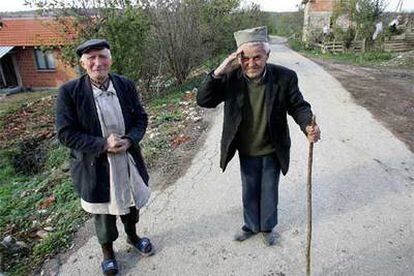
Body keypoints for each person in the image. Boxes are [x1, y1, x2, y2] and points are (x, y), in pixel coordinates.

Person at [197, 26, 320, 246]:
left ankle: (267, 227)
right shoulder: (230, 77)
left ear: (267, 56)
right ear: (237, 58)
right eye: (245, 58)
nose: (251, 63)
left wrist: (308, 125)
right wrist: (219, 70)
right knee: (250, 189)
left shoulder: (285, 77)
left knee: (269, 191)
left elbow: (298, 106)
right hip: (246, 148)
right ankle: (251, 225)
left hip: (272, 147)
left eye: (257, 57)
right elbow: (204, 100)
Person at [56, 39, 153, 275]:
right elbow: (65, 134)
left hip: (126, 158)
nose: (98, 63)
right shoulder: (69, 92)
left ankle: (133, 236)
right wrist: (102, 145)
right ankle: (108, 253)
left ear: (110, 59)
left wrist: (129, 140)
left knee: (130, 204)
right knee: (103, 213)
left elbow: (141, 119)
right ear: (83, 63)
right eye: (91, 58)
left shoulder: (125, 85)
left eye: (102, 56)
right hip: (94, 163)